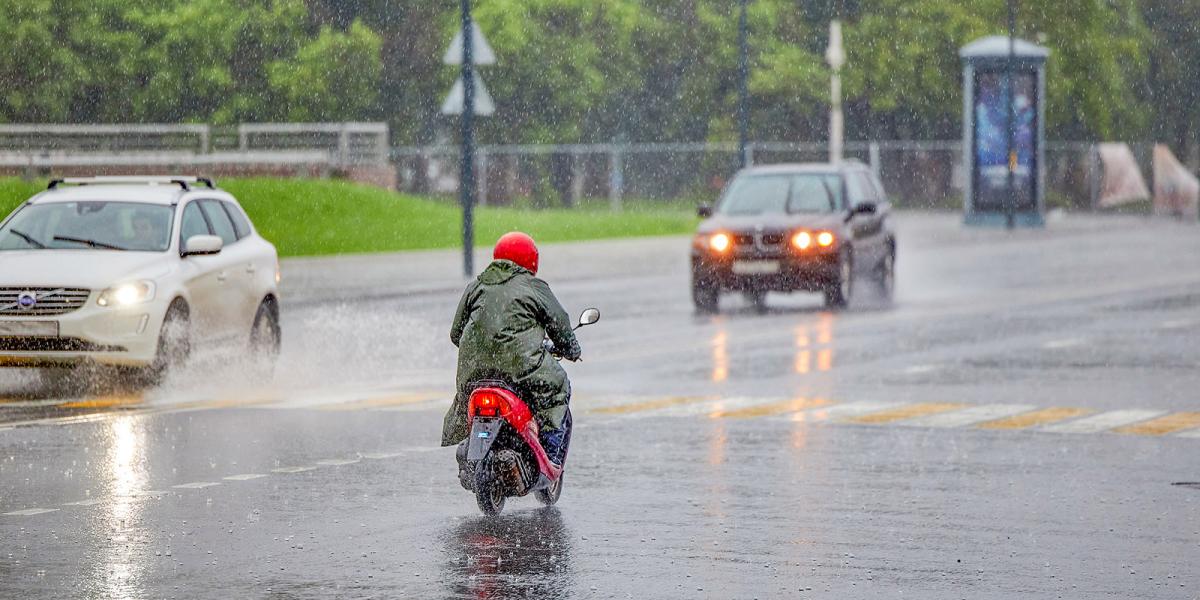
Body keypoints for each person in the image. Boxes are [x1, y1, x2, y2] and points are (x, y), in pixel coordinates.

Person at [443, 232, 581, 469]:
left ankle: (470, 442)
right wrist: (571, 349)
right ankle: (550, 456)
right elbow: (559, 322)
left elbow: (456, 333)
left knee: (464, 402)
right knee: (558, 387)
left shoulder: (475, 285)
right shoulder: (534, 286)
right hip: (520, 369)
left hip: (474, 372)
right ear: (531, 261)